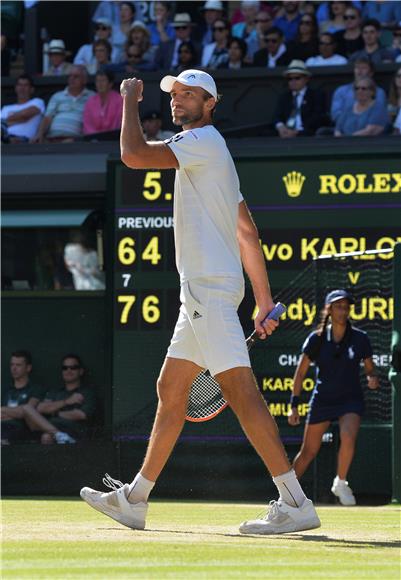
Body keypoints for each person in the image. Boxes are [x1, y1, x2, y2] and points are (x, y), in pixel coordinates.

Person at [80, 68, 321, 535]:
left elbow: (131, 154)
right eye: (176, 94)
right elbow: (247, 231)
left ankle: (295, 501)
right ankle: (135, 499)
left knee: (241, 392)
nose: (178, 100)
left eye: (190, 95)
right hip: (206, 290)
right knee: (171, 391)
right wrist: (263, 301)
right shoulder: (216, 157)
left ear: (211, 103)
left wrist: (129, 99)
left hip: (207, 289)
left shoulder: (203, 142)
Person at [288, 289, 379, 506]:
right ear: (329, 310)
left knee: (348, 436)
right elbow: (300, 373)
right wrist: (294, 405)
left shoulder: (360, 338)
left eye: (346, 306)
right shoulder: (316, 339)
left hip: (350, 399)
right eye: (338, 306)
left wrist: (372, 377)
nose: (343, 310)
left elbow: (369, 368)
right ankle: (287, 492)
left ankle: (340, 481)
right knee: (308, 451)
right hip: (323, 399)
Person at [21, 354, 97, 444]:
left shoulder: (86, 392)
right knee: (27, 408)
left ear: (81, 371)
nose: (68, 370)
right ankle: (59, 435)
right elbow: (41, 408)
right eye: (65, 368)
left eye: (73, 367)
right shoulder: (56, 392)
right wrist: (66, 402)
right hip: (51, 427)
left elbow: (81, 415)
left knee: (46, 436)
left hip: (73, 430)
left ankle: (61, 436)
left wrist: (55, 413)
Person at [32, 65, 94, 143]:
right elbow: (47, 118)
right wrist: (39, 134)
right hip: (52, 139)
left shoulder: (92, 97)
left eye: (76, 76)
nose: (72, 79)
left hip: (76, 141)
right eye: (70, 76)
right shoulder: (57, 96)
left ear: (84, 80)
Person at [274, 60, 327, 138]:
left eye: (297, 78)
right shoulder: (284, 97)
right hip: (285, 134)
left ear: (306, 79)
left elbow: (318, 117)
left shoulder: (316, 95)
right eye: (290, 79)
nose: (293, 81)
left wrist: (297, 132)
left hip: (307, 134)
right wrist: (281, 127)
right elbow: (276, 117)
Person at [1, 350, 44, 444]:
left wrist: (3, 409)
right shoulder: (4, 389)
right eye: (12, 365)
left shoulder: (35, 389)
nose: (14, 368)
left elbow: (27, 412)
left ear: (28, 368)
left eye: (18, 365)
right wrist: (16, 413)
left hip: (20, 431)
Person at [330, 57, 387, 124]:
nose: (359, 71)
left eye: (363, 68)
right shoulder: (341, 90)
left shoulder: (379, 92)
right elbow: (335, 114)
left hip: (370, 129)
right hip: (344, 128)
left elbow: (379, 114)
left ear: (371, 73)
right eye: (357, 68)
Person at [1, 74, 45, 144]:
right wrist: (18, 119)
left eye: (26, 85)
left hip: (23, 140)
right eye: (19, 85)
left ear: (32, 89)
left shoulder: (37, 102)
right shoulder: (6, 108)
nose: (22, 88)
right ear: (15, 88)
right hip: (4, 138)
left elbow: (24, 115)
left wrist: (6, 121)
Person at [83, 70, 123, 136]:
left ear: (110, 84)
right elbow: (87, 124)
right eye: (98, 81)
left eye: (103, 80)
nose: (100, 84)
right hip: (93, 139)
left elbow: (118, 122)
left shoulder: (119, 99)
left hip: (113, 138)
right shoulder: (90, 101)